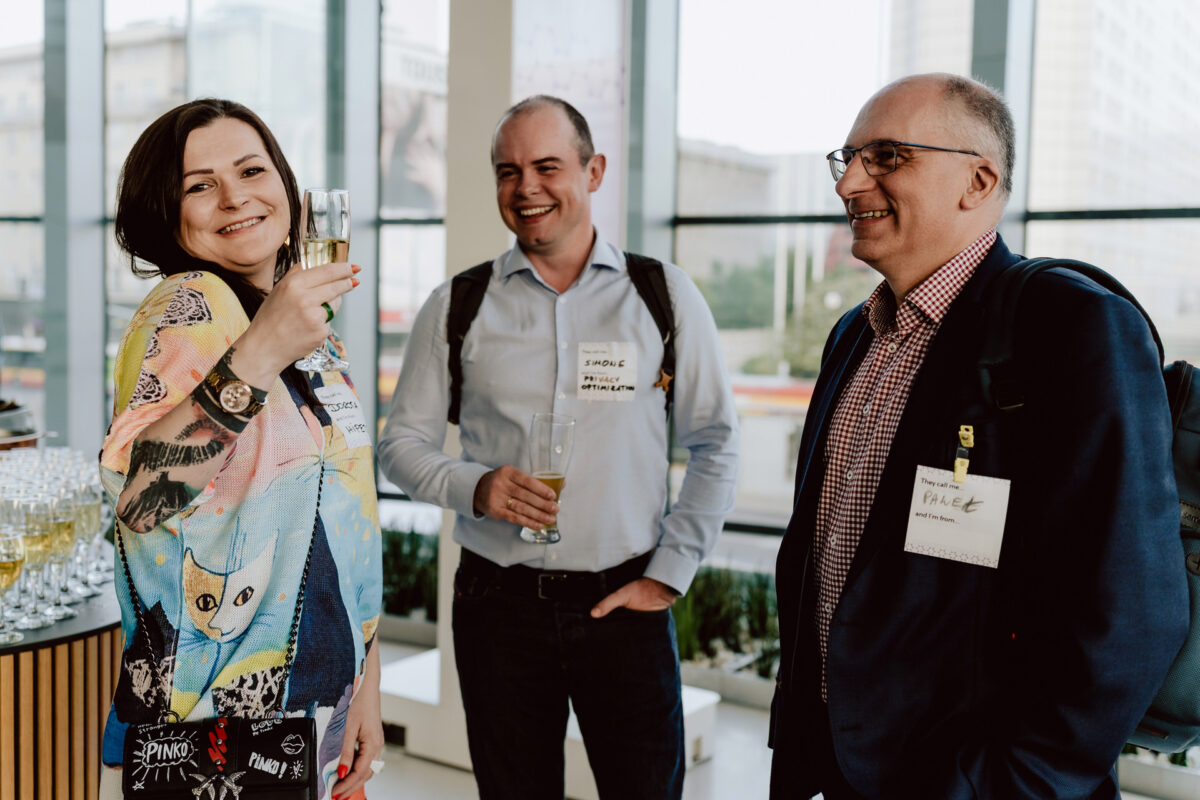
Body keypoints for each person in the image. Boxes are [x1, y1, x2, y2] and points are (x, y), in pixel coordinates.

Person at [768, 73, 1189, 800]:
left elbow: (1131, 612)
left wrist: (1010, 784)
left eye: (887, 157)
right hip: (838, 767)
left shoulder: (1071, 325)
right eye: (848, 159)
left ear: (979, 180)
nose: (850, 185)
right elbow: (821, 558)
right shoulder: (854, 336)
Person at [378, 95, 739, 800]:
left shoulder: (663, 295)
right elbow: (401, 446)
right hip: (496, 607)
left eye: (547, 166)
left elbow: (716, 443)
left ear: (593, 170)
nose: (527, 188)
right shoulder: (456, 305)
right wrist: (473, 486)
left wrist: (671, 570)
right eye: (508, 171)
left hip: (625, 604)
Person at [98, 99, 384, 800]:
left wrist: (362, 690)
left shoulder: (300, 323)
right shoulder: (190, 305)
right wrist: (256, 355)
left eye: (252, 170)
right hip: (212, 731)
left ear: (286, 186)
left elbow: (347, 518)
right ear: (166, 213)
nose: (235, 197)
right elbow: (140, 501)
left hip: (311, 704)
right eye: (200, 185)